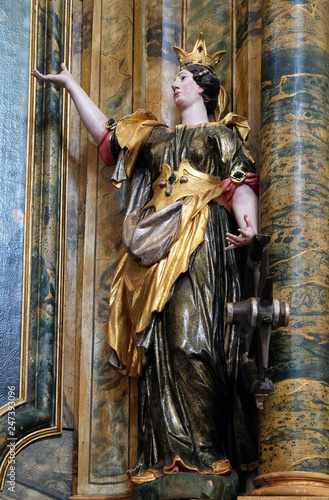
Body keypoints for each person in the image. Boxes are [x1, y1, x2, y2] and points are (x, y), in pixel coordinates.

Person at [32, 33, 259, 486]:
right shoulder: (156, 139)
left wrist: (248, 227)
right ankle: (167, 455)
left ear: (202, 87)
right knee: (160, 352)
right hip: (156, 246)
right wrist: (73, 85)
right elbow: (108, 136)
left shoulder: (221, 136)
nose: (175, 85)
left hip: (201, 239)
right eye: (174, 77)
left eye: (182, 78)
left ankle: (208, 450)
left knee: (194, 341)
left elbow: (240, 186)